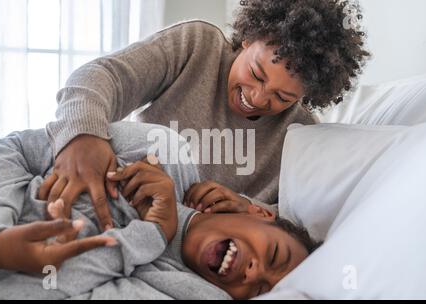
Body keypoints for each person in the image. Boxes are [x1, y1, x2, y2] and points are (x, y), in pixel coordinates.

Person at [43, 0, 370, 230]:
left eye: (283, 97)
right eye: (256, 74)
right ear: (248, 38)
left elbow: (297, 222)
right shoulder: (196, 46)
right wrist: (84, 135)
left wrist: (249, 208)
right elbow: (104, 76)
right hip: (120, 199)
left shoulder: (301, 134)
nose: (257, 98)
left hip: (184, 246)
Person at [0, 122, 319, 300]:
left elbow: (8, 294)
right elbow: (13, 149)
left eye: (261, 292)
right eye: (274, 255)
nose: (253, 273)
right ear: (259, 213)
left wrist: (151, 235)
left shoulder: (188, 297)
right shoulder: (165, 149)